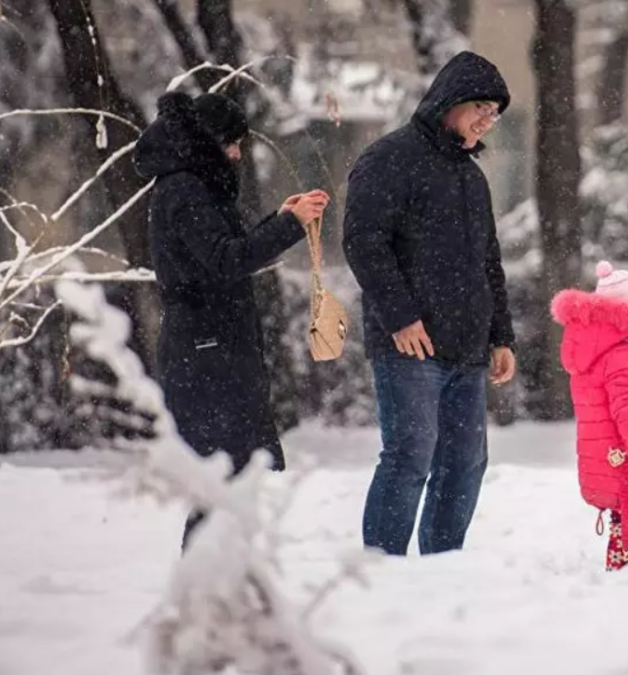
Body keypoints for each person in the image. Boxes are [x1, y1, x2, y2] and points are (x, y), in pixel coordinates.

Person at [133, 91, 329, 547]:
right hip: (207, 356)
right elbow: (227, 260)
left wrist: (277, 220)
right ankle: (206, 591)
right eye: (232, 144)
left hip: (211, 350)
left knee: (230, 485)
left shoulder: (190, 186)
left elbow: (222, 252)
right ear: (207, 142)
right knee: (221, 483)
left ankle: (221, 588)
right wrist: (289, 225)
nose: (238, 154)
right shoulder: (184, 189)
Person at [343, 51, 517, 556]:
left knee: (465, 461)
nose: (488, 120)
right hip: (411, 345)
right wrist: (399, 317)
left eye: (495, 112)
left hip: (466, 346)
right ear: (449, 101)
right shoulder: (389, 159)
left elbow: (489, 262)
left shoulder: (471, 177)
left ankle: (443, 566)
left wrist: (500, 336)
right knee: (410, 456)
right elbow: (363, 241)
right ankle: (382, 566)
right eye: (481, 107)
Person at [550, 261, 628, 571]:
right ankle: (620, 580)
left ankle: (622, 571)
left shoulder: (591, 349)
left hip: (599, 454)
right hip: (623, 454)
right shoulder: (626, 355)